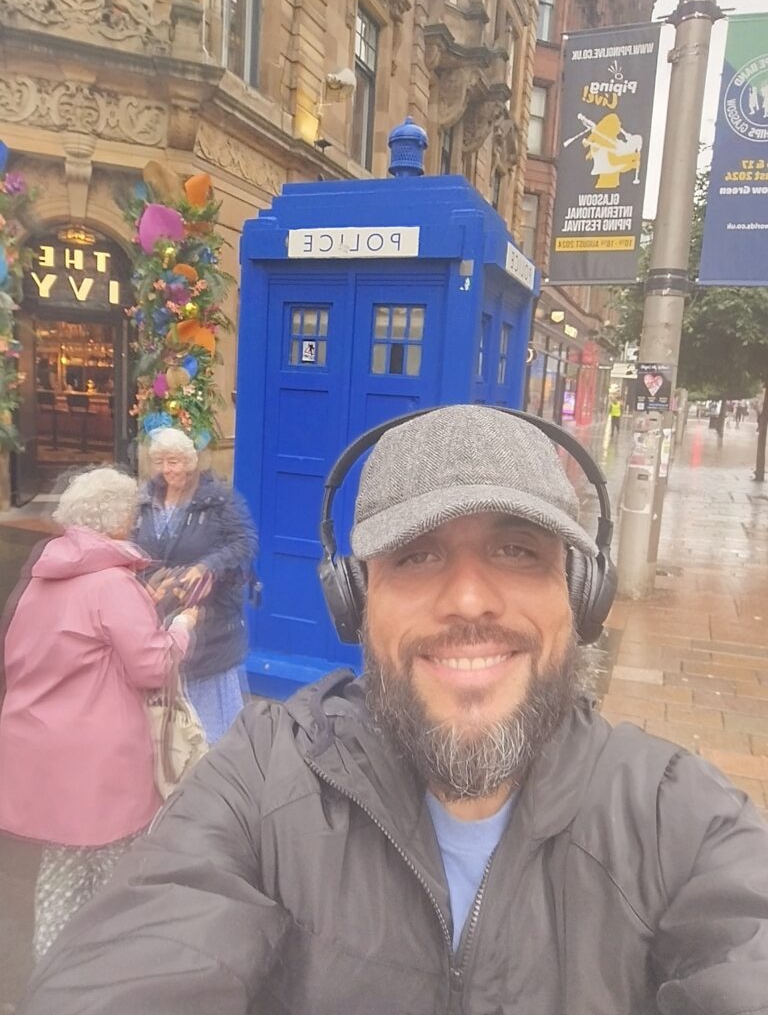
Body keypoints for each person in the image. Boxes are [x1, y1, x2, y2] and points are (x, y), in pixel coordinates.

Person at [18, 406, 768, 1014]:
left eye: (517, 551)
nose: (470, 598)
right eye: (416, 555)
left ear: (581, 597)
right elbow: (136, 960)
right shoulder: (258, 781)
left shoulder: (683, 820)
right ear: (353, 601)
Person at [0, 467, 195, 962]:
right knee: (118, 880)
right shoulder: (110, 584)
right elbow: (152, 666)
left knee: (63, 873)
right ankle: (110, 975)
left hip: (43, 747)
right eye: (131, 509)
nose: (134, 517)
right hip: (102, 759)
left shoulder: (44, 577)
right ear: (115, 519)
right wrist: (184, 628)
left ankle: (53, 978)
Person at [133, 428, 257, 743]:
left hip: (207, 617)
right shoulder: (145, 497)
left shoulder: (218, 498)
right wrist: (144, 581)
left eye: (175, 461)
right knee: (164, 718)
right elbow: (133, 545)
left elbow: (245, 542)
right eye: (161, 462)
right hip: (158, 613)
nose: (168, 469)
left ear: (191, 462)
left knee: (208, 721)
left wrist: (206, 567)